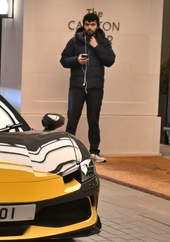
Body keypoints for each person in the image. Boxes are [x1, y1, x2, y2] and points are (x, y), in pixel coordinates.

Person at [60, 12, 115, 163]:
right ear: (83, 25)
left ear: (97, 25)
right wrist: (76, 60)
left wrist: (97, 47)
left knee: (94, 120)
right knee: (72, 119)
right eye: (87, 24)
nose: (89, 27)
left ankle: (94, 152)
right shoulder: (74, 41)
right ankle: (68, 152)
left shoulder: (103, 42)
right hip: (77, 86)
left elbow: (110, 60)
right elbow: (63, 60)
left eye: (92, 24)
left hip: (95, 87)